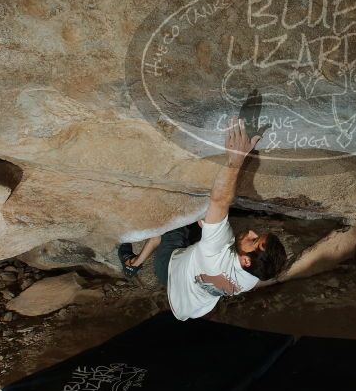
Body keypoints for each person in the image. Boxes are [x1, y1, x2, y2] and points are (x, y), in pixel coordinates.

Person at [116, 116, 289, 320]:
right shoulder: (252, 277)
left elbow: (220, 200)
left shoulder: (215, 250)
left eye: (254, 240)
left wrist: (237, 159)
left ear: (245, 261)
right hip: (195, 302)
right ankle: (190, 235)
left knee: (174, 220)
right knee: (203, 223)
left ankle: (133, 263)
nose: (252, 232)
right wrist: (210, 227)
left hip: (170, 270)